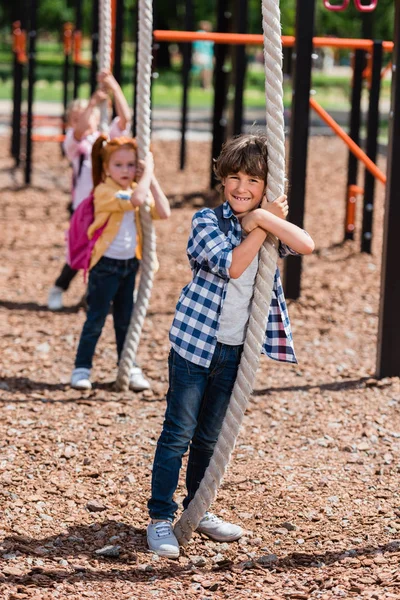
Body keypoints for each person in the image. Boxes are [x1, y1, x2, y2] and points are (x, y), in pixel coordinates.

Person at [146, 133, 315, 558]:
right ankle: (160, 517)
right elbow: (236, 266)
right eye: (234, 177)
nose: (241, 187)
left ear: (267, 186)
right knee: (178, 433)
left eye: (253, 181)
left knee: (208, 439)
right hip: (194, 346)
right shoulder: (206, 221)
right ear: (222, 180)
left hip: (234, 349)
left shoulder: (265, 222)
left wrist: (264, 220)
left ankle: (197, 509)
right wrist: (259, 223)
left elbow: (306, 245)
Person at [70, 135, 170, 391]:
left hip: (129, 266)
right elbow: (136, 201)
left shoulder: (137, 187)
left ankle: (129, 366)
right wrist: (145, 176)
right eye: (118, 165)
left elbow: (164, 211)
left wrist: (152, 177)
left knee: (126, 320)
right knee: (96, 318)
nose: (125, 171)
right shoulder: (104, 191)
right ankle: (82, 368)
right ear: (105, 168)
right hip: (105, 267)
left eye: (130, 165)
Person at [47, 70, 131, 312]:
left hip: (108, 203)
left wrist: (114, 88)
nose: (79, 121)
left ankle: (93, 296)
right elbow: (80, 130)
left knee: (104, 251)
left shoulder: (107, 141)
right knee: (79, 249)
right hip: (84, 208)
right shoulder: (76, 144)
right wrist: (93, 101)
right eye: (74, 118)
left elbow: (125, 118)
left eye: (84, 115)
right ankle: (59, 288)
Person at [192, 21, 214, 90]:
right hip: (201, 54)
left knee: (207, 71)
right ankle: (205, 86)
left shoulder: (209, 34)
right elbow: (196, 45)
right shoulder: (199, 33)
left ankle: (206, 85)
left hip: (207, 54)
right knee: (204, 71)